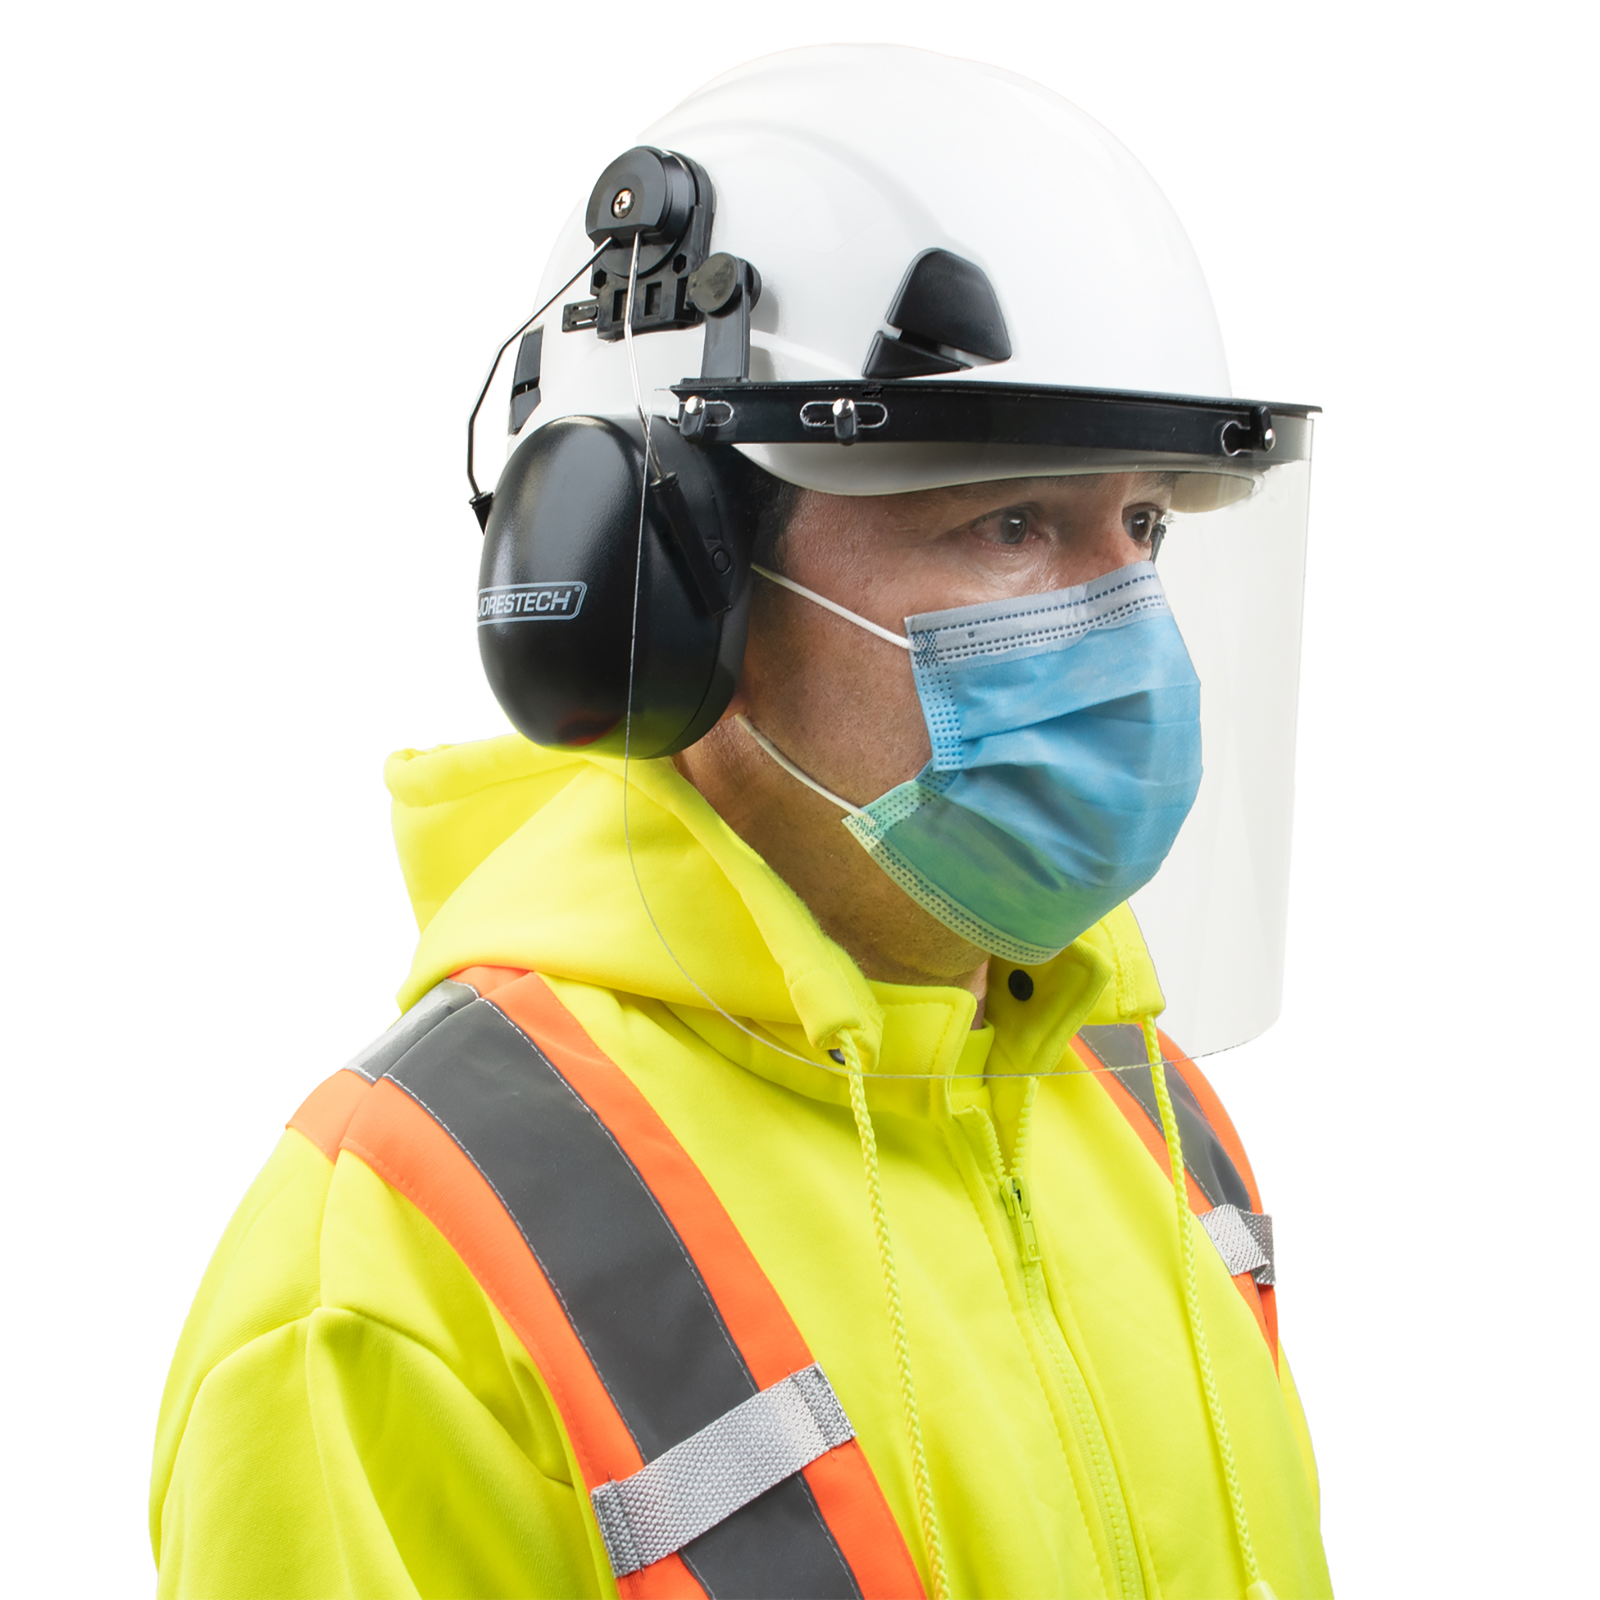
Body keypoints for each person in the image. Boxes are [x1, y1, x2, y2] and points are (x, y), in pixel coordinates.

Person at [152, 45, 1332, 1600]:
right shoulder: (398, 1259)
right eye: (1007, 524)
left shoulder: (1149, 1115)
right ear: (669, 598)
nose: (1121, 629)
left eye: (1143, 529)